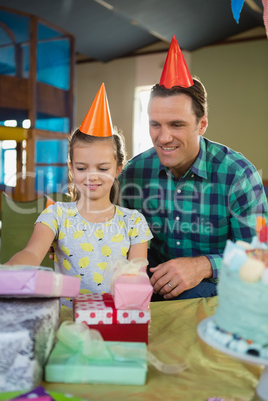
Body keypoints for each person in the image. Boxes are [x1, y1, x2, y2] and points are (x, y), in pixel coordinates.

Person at [119, 37, 268, 301]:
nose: (163, 138)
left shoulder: (238, 174)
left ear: (202, 125)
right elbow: (116, 236)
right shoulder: (133, 172)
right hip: (147, 287)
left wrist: (203, 265)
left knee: (194, 293)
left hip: (217, 290)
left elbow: (261, 255)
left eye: (176, 125)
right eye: (156, 124)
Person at [6, 84, 153, 308]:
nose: (92, 176)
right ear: (71, 168)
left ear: (118, 169)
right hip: (65, 320)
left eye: (103, 168)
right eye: (82, 168)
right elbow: (31, 253)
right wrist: (9, 275)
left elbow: (136, 278)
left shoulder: (133, 222)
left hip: (115, 319)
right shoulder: (56, 215)